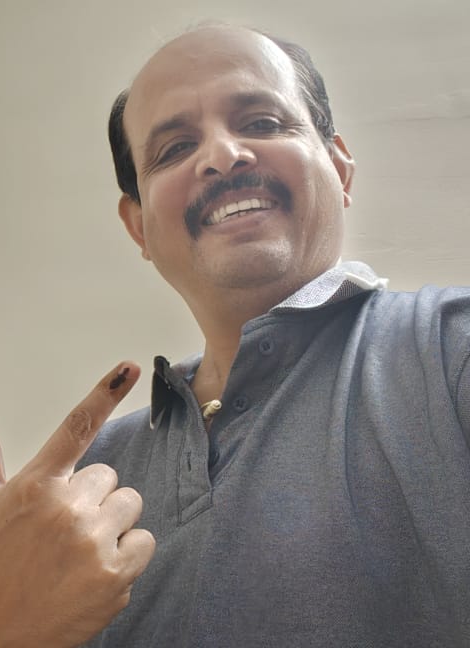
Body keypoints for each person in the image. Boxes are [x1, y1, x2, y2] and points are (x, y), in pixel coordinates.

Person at [71, 24, 469, 646]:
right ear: (138, 226)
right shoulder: (93, 473)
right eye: (175, 148)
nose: (222, 156)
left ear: (339, 168)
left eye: (261, 122)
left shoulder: (452, 353)